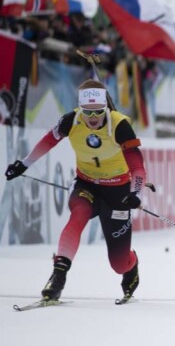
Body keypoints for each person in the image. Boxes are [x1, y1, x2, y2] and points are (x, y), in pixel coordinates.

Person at [4, 79, 147, 302]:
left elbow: (137, 167)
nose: (93, 117)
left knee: (118, 264)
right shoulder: (71, 120)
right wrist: (24, 163)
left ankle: (131, 264)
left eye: (98, 111)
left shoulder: (120, 126)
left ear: (106, 108)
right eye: (87, 111)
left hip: (117, 191)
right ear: (80, 108)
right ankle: (58, 275)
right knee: (78, 215)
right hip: (86, 184)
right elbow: (48, 141)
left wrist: (136, 194)